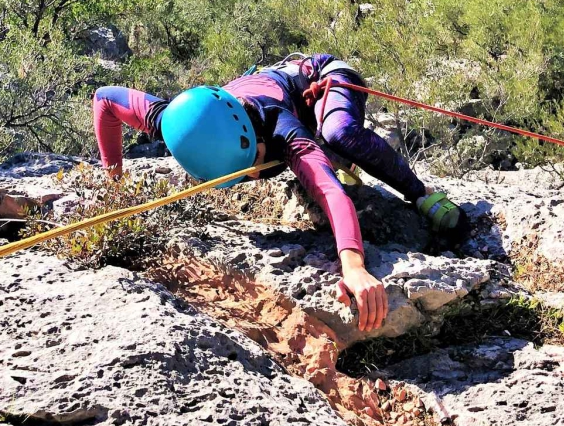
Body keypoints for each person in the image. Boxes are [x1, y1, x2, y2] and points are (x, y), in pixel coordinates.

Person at [93, 54, 462, 332]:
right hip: (289, 103)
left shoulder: (284, 132)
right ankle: (334, 154)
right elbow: (105, 99)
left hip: (324, 78)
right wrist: (114, 183)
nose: (252, 174)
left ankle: (420, 193)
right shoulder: (179, 119)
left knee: (338, 133)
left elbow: (331, 194)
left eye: (250, 164)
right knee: (327, 145)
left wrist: (353, 265)